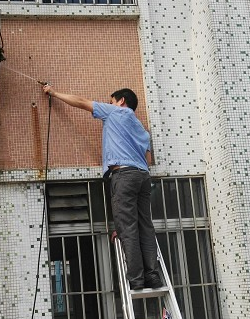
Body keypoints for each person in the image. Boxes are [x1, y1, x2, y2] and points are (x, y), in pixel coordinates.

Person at [42, 84, 161, 290]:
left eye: (112, 100)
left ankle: (136, 279)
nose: (110, 103)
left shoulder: (115, 111)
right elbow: (148, 160)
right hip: (142, 177)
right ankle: (153, 276)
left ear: (121, 101)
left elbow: (81, 102)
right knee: (145, 227)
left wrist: (53, 92)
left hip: (123, 174)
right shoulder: (142, 129)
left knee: (128, 228)